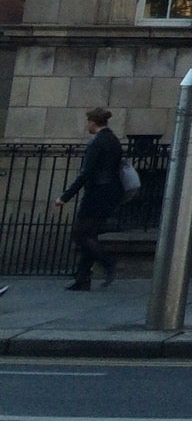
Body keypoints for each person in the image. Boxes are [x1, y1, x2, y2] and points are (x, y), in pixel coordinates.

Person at [54, 107, 122, 291]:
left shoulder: (98, 142)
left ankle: (107, 262)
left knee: (81, 234)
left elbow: (86, 173)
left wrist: (65, 197)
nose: (87, 126)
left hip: (96, 194)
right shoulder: (113, 140)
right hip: (110, 193)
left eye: (88, 122)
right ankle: (82, 279)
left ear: (93, 122)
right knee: (89, 235)